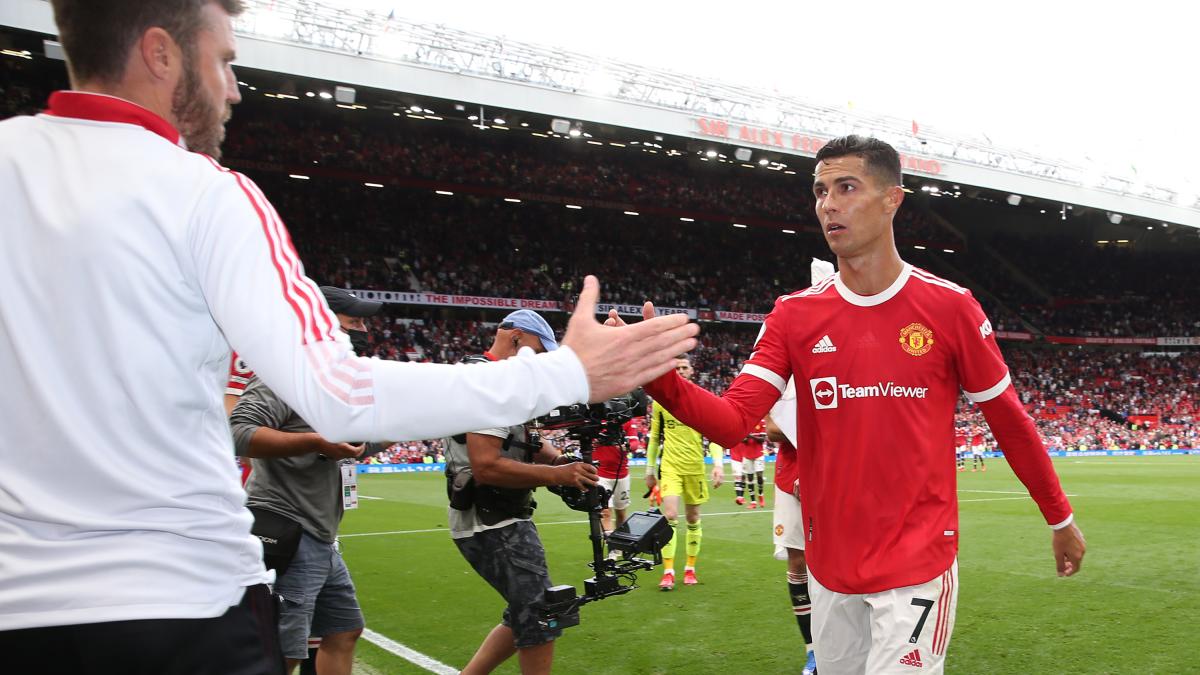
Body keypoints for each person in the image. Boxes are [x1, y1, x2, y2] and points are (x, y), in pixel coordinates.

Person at [0, 1, 698, 670]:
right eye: (222, 61)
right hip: (179, 597)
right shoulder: (204, 193)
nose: (233, 89)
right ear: (159, 53)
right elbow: (339, 390)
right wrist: (568, 373)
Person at [635, 136, 1086, 673]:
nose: (828, 203)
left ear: (893, 199)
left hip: (918, 563)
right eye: (820, 191)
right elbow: (734, 421)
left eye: (846, 187)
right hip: (831, 567)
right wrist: (656, 376)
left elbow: (1009, 422)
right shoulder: (793, 315)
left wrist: (1059, 516)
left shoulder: (950, 307)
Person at [229, 286, 384, 675]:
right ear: (322, 320)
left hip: (318, 534)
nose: (363, 328)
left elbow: (347, 448)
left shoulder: (331, 382)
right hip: (289, 526)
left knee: (344, 629)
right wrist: (316, 441)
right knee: (284, 647)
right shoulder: (286, 375)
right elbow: (239, 432)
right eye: (354, 320)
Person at [443, 310, 599, 675]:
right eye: (536, 351)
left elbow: (521, 439)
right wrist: (557, 475)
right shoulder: (490, 381)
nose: (540, 362)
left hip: (497, 517)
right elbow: (486, 465)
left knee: (524, 612)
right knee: (544, 613)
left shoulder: (500, 379)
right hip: (490, 520)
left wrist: (562, 460)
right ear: (515, 338)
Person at [645, 356, 725, 590]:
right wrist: (650, 470)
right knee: (669, 515)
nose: (680, 371)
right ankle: (668, 572)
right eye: (676, 368)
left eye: (684, 367)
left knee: (692, 518)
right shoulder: (661, 401)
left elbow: (714, 436)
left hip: (694, 467)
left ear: (691, 371)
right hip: (670, 466)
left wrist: (718, 464)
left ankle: (689, 568)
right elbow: (653, 438)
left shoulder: (701, 399)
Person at [734, 418, 769, 509]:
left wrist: (750, 436)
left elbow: (762, 439)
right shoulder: (746, 423)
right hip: (747, 455)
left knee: (759, 476)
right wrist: (744, 438)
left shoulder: (761, 422)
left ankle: (760, 495)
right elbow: (742, 440)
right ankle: (753, 501)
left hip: (758, 454)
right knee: (749, 478)